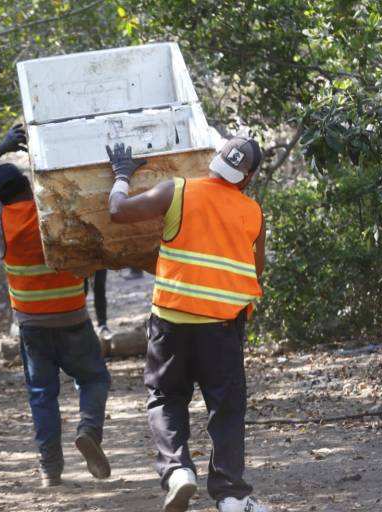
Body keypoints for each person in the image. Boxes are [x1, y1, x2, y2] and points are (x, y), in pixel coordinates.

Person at [105, 138, 269, 512]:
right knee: (226, 410)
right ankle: (231, 496)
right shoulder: (253, 214)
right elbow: (256, 269)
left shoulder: (176, 191)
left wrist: (121, 175)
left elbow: (117, 211)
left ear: (215, 162)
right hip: (222, 329)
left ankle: (178, 471)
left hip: (171, 323)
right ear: (248, 178)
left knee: (166, 398)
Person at [0, 124, 112, 488]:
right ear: (28, 186)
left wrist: (0, 148)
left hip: (32, 326)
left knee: (42, 396)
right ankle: (89, 429)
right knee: (94, 378)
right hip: (73, 319)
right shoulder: (55, 213)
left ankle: (50, 470)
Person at [85, 269, 113, 340]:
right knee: (83, 290)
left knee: (100, 287)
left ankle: (102, 324)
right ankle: (82, 325)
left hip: (99, 264)